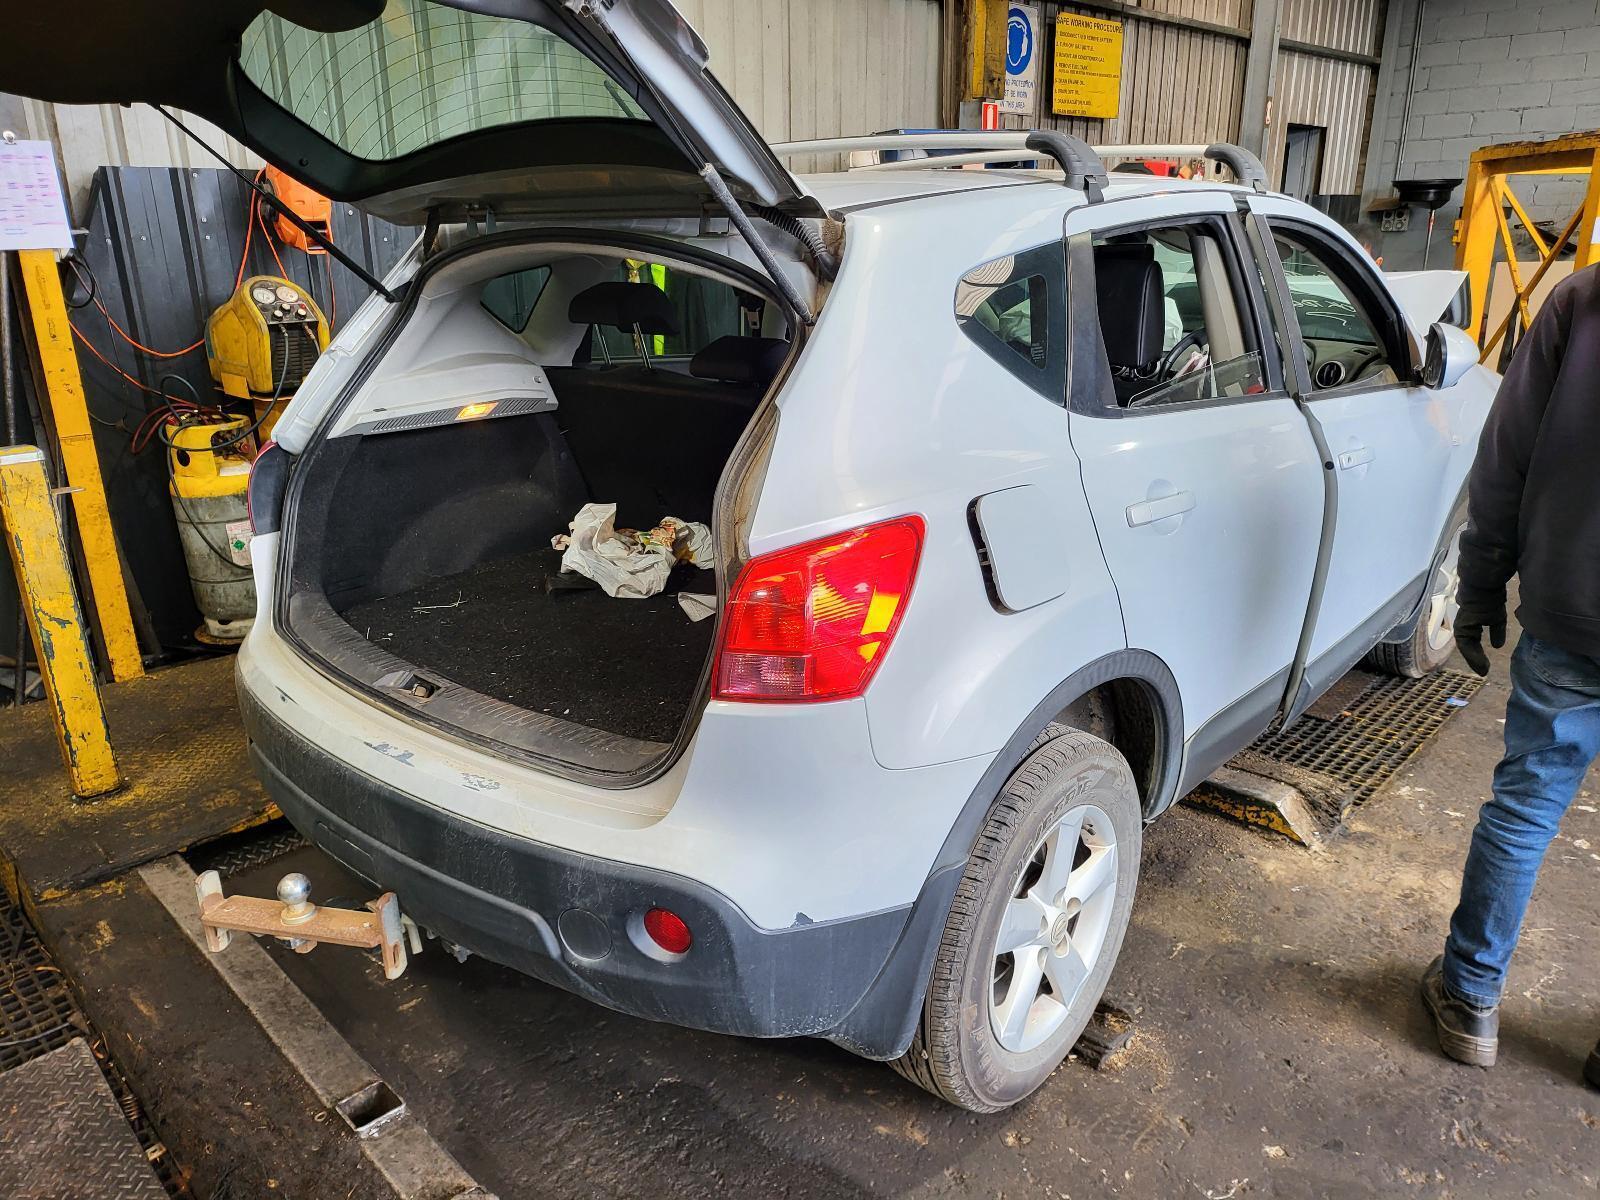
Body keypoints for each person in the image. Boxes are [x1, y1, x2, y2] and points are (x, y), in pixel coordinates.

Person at [1421, 266, 1600, 1090]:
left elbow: (1506, 455)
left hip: (1574, 607)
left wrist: (1482, 583)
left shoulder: (1582, 300)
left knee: (1527, 806)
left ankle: (1469, 998)